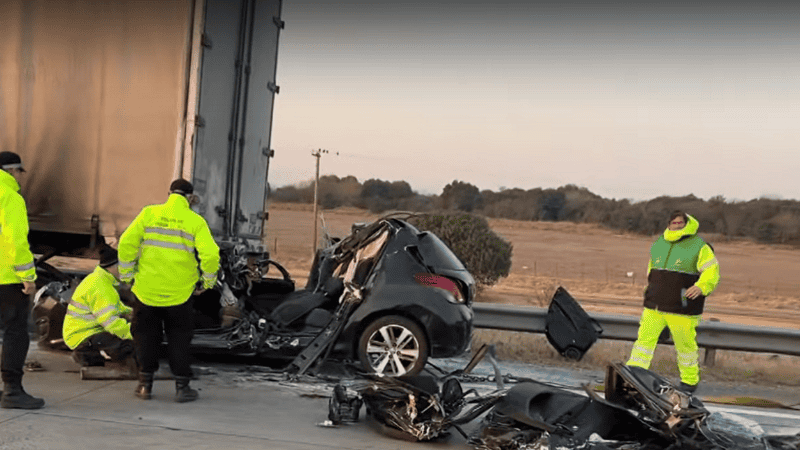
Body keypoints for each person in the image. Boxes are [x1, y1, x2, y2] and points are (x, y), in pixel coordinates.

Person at [118, 179, 219, 402]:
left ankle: (145, 386)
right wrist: (208, 282)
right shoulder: (195, 221)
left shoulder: (148, 214)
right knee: (179, 339)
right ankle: (182, 388)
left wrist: (127, 276)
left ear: (169, 193)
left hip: (146, 291)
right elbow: (211, 256)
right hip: (180, 294)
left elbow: (126, 244)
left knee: (145, 337)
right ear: (191, 198)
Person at [626, 211, 720, 393]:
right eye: (673, 223)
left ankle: (689, 382)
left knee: (685, 347)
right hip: (655, 305)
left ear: (687, 224)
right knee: (643, 342)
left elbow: (712, 271)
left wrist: (701, 286)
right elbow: (651, 270)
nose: (676, 226)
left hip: (682, 308)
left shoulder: (699, 246)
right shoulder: (659, 244)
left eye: (679, 223)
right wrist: (651, 289)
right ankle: (634, 375)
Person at [0, 151, 44, 409]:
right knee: (15, 333)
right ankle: (13, 391)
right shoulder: (11, 198)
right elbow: (17, 242)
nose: (20, 177)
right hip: (6, 279)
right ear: (12, 171)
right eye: (19, 172)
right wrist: (28, 277)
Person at [63, 246, 136, 370]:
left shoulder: (102, 280)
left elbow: (114, 307)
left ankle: (92, 352)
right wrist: (136, 333)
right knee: (129, 346)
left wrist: (134, 313)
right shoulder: (101, 287)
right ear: (113, 266)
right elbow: (111, 323)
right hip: (83, 335)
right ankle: (86, 353)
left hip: (88, 330)